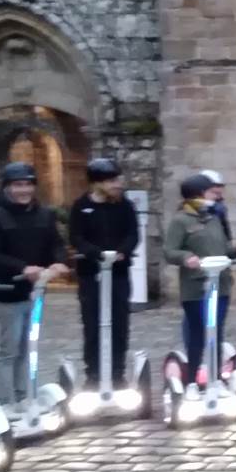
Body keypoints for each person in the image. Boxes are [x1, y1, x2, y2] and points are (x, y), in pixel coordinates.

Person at [0, 162, 69, 422]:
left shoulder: (44, 214)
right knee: (9, 350)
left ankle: (23, 396)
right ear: (7, 187)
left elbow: (56, 243)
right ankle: (3, 401)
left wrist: (58, 261)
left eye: (28, 184)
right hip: (9, 291)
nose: (24, 190)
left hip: (35, 291)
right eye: (18, 185)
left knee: (27, 347)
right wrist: (22, 267)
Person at [68, 158, 139, 387]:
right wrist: (95, 253)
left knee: (119, 323)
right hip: (91, 275)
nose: (117, 184)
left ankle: (117, 372)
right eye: (111, 181)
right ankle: (94, 373)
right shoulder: (81, 206)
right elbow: (76, 237)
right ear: (96, 183)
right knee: (93, 324)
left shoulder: (124, 205)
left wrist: (122, 252)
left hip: (118, 273)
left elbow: (132, 233)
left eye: (117, 179)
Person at [165, 173, 234, 379]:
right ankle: (192, 380)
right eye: (211, 192)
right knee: (197, 336)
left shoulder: (214, 218)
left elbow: (223, 248)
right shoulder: (180, 220)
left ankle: (215, 378)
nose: (216, 196)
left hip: (220, 286)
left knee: (216, 333)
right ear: (198, 195)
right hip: (196, 289)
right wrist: (186, 257)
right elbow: (170, 251)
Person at [200, 169, 236, 248]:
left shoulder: (219, 208)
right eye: (214, 192)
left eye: (219, 193)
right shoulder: (190, 212)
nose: (218, 196)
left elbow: (225, 232)